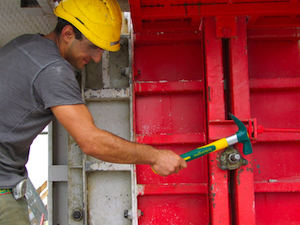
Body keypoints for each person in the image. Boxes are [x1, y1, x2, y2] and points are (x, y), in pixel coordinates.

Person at [0, 0, 187, 224]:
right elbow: (91, 142)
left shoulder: (26, 44)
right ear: (68, 33)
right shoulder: (53, 71)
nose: (97, 58)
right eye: (93, 47)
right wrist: (155, 157)